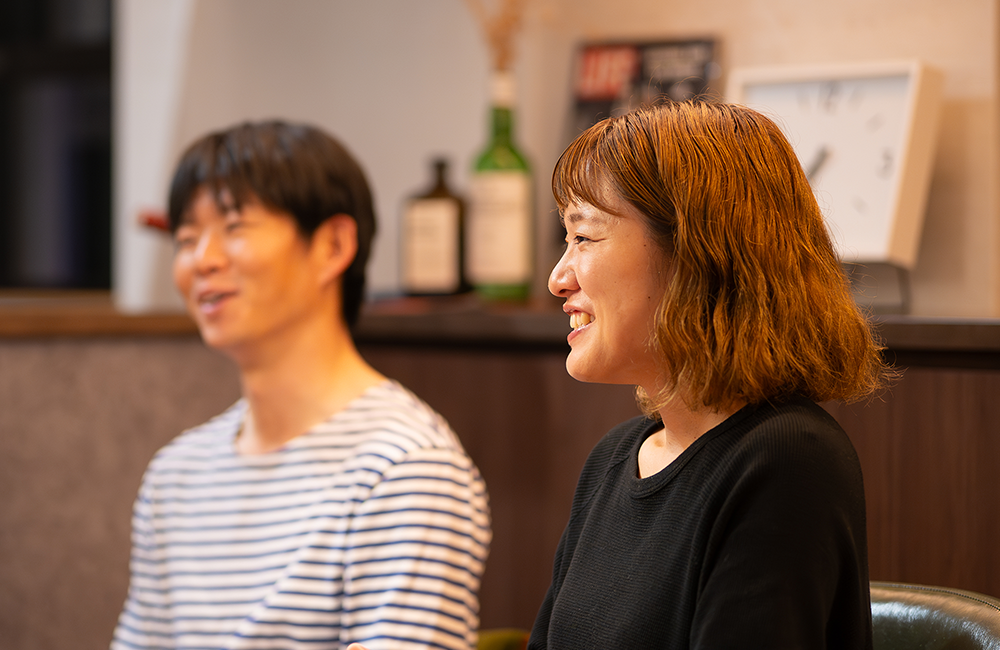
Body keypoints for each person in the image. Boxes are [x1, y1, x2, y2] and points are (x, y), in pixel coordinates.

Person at [111, 121, 491, 650]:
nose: (202, 260)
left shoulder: (404, 466)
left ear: (333, 245)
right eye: (187, 239)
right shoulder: (175, 475)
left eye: (235, 227)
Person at [527, 100, 893, 649]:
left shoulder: (786, 459)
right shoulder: (614, 458)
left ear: (696, 254)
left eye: (584, 237)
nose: (558, 278)